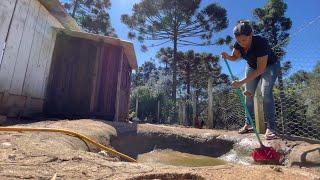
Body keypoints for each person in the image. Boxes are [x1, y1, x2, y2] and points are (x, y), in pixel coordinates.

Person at [221, 20, 281, 140]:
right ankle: (248, 124)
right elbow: (235, 57)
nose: (242, 43)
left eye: (244, 40)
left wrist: (241, 82)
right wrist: (227, 56)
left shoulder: (261, 42)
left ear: (251, 34)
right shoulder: (238, 45)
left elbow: (260, 69)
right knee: (248, 94)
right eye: (238, 40)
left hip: (270, 66)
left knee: (266, 93)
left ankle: (271, 128)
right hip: (251, 65)